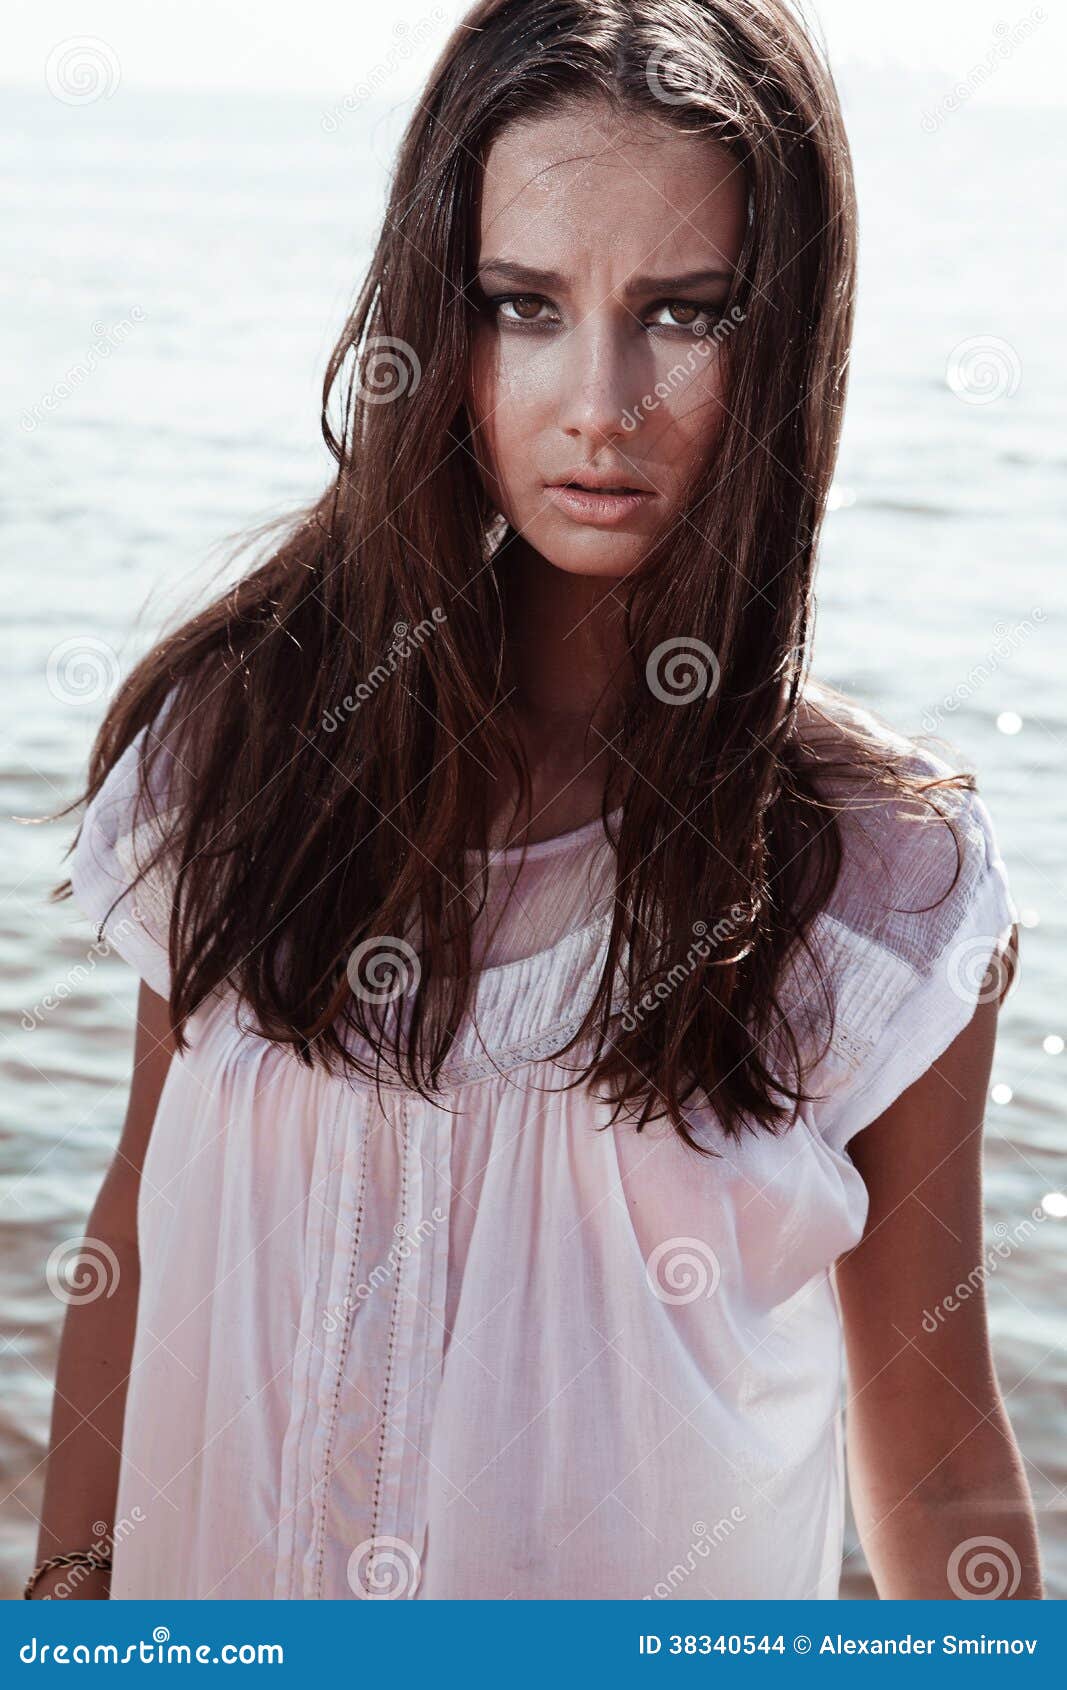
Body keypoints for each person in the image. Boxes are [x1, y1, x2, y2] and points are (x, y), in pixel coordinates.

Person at [32, 0, 1041, 1601]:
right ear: (440, 317)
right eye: (523, 303)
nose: (603, 399)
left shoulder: (881, 883)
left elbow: (928, 1444)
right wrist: (68, 1598)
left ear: (785, 341)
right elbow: (138, 1231)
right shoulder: (233, 747)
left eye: (687, 313)